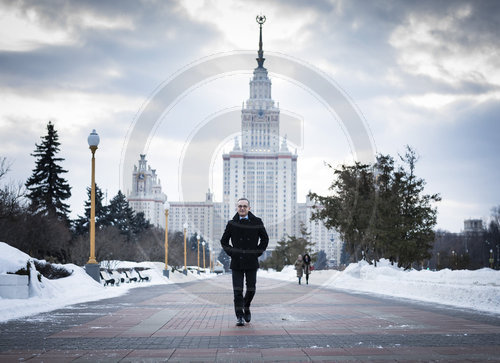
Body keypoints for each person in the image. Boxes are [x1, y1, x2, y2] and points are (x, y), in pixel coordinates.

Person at [221, 198, 269, 326]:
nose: (242, 208)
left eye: (244, 206)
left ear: (249, 208)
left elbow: (265, 239)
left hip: (251, 261)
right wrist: (232, 252)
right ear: (237, 208)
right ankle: (240, 316)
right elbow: (224, 241)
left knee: (251, 288)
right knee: (237, 290)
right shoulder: (231, 223)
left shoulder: (257, 222)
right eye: (240, 206)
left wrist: (257, 252)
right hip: (236, 262)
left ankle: (246, 305)